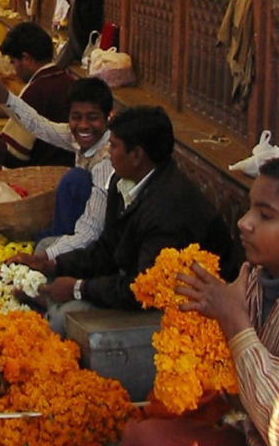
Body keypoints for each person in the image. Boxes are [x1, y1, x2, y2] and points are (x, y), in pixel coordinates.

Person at [121, 156, 279, 446]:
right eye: (250, 208)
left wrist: (233, 319)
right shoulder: (254, 275)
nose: (244, 223)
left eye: (265, 216)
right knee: (141, 434)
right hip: (252, 430)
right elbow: (233, 388)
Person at [37, 105, 234, 333]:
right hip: (132, 279)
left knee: (65, 315)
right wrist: (55, 264)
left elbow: (142, 288)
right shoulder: (122, 182)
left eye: (113, 145)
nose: (109, 151)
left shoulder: (167, 210)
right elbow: (106, 249)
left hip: (173, 306)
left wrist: (79, 288)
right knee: (47, 253)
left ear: (137, 155)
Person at [0, 71, 114, 256]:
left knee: (75, 180)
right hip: (78, 226)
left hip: (99, 239)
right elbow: (38, 125)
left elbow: (91, 231)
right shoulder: (76, 136)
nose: (84, 125)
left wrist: (48, 255)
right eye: (76, 117)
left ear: (108, 117)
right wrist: (2, 95)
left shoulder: (108, 159)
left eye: (92, 117)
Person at [0, 22, 76, 168]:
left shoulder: (36, 91)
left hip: (42, 177)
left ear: (26, 59)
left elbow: (13, 156)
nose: (13, 71)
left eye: (13, 62)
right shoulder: (69, 81)